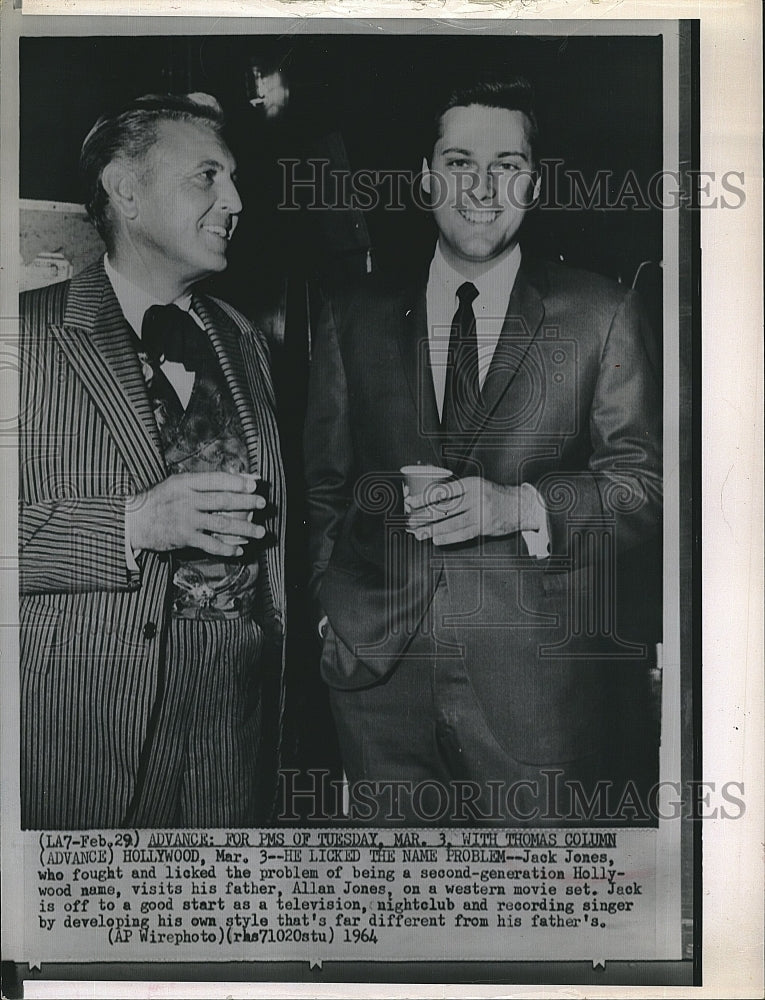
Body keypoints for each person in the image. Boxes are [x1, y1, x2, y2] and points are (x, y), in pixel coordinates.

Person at [304, 76, 662, 825]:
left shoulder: (601, 312)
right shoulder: (352, 316)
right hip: (377, 682)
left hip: (537, 690)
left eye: (507, 165)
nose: (481, 187)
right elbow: (323, 488)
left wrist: (517, 506)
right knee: (397, 921)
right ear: (426, 177)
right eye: (460, 162)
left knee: (541, 922)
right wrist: (325, 607)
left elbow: (646, 487)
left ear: (532, 182)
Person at [19, 94, 285, 829]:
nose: (234, 200)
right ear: (125, 191)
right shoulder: (26, 335)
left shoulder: (244, 339)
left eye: (231, 179)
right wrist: (132, 524)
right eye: (207, 176)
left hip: (234, 719)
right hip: (84, 724)